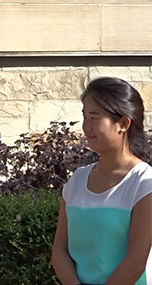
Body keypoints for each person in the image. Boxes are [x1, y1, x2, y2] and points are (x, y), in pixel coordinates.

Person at [52, 77, 152, 284]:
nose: (86, 126)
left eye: (95, 117)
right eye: (85, 117)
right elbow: (59, 251)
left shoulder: (144, 183)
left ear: (123, 123)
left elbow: (135, 262)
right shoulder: (77, 181)